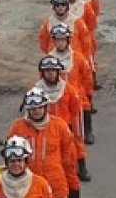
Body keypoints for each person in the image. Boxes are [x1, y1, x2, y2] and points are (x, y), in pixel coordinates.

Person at [5, 88, 80, 198]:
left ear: (45, 107)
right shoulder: (17, 128)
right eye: (33, 108)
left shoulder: (59, 126)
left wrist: (70, 182)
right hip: (28, 186)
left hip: (56, 185)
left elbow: (69, 156)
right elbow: (10, 156)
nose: (37, 111)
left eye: (39, 107)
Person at [35, 54, 90, 185]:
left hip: (66, 128)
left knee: (71, 154)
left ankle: (81, 167)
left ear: (58, 72)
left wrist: (77, 131)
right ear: (42, 73)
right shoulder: (36, 91)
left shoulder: (69, 90)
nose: (50, 74)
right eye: (47, 71)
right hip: (45, 129)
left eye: (53, 70)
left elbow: (76, 111)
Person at [46, 22, 95, 140]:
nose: (60, 43)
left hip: (76, 91)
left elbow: (87, 76)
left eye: (63, 40)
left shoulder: (78, 58)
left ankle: (88, 131)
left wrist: (88, 93)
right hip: (58, 93)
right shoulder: (48, 60)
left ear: (68, 40)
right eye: (57, 40)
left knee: (83, 109)